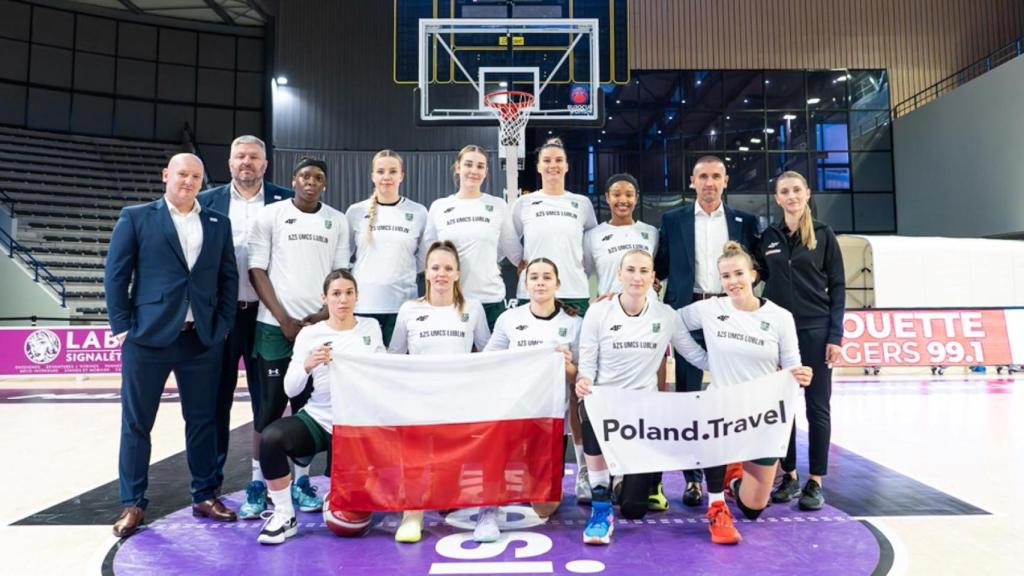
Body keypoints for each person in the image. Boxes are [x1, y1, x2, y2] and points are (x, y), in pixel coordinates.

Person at [104, 153, 239, 537]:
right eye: (182, 174)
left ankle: (205, 494)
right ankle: (132, 503)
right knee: (136, 424)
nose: (189, 181)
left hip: (201, 339)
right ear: (167, 175)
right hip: (147, 338)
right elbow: (116, 275)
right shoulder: (137, 216)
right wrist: (123, 326)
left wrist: (223, 324)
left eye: (196, 176)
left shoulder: (217, 222)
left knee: (203, 421)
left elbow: (228, 277)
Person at [674, 241, 813, 544]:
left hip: (762, 415)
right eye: (725, 276)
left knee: (753, 507)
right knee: (711, 422)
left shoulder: (779, 317)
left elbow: (792, 365)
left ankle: (733, 481)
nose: (732, 282)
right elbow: (672, 322)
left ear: (753, 275)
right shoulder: (710, 309)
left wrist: (801, 373)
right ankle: (716, 506)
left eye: (738, 273)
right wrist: (703, 360)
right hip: (722, 407)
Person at [573, 249, 709, 545]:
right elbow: (587, 360)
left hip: (643, 412)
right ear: (619, 275)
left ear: (652, 277)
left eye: (644, 270)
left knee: (635, 509)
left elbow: (695, 355)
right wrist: (584, 380)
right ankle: (600, 509)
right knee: (590, 407)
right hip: (605, 403)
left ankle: (622, 478)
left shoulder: (665, 316)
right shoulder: (599, 311)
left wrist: (746, 372)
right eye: (631, 270)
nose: (637, 276)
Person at [246, 156, 351, 517]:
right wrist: (283, 317)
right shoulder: (271, 216)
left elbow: (340, 272)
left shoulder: (336, 221)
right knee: (270, 407)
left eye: (318, 177)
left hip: (318, 328)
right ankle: (259, 482)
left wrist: (322, 315)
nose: (311, 182)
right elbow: (256, 268)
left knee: (307, 407)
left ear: (324, 184)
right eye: (305, 175)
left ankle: (303, 482)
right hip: (275, 326)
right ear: (293, 180)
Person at [653, 154, 759, 506]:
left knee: (734, 397)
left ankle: (734, 472)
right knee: (688, 397)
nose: (709, 183)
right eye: (703, 177)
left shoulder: (745, 221)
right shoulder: (672, 220)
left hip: (731, 317)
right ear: (692, 181)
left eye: (716, 176)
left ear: (726, 181)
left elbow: (758, 269)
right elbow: (659, 269)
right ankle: (693, 478)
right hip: (689, 314)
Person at [196, 135, 293, 511]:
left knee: (268, 404)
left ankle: (270, 482)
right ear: (229, 162)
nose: (246, 162)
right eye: (240, 156)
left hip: (268, 315)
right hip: (221, 316)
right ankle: (210, 487)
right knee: (214, 403)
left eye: (254, 156)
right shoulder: (206, 202)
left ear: (265, 164)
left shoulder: (288, 201)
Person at [256, 270, 386, 545]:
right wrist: (308, 364)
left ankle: (357, 493)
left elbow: (382, 372)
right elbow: (290, 389)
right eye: (336, 294)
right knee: (271, 438)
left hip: (357, 423)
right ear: (324, 299)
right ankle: (284, 514)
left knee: (349, 510)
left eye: (349, 293)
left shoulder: (370, 328)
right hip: (320, 417)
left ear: (357, 296)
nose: (343, 300)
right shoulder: (310, 335)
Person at [388, 240, 491, 543]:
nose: (441, 274)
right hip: (421, 401)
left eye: (448, 268)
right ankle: (412, 514)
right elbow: (394, 357)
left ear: (458, 274)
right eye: (435, 268)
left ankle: (484, 510)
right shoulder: (409, 310)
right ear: (426, 272)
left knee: (458, 474)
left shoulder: (472, 309)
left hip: (460, 401)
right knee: (417, 456)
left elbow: (489, 353)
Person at [758, 171, 845, 511]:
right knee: (782, 409)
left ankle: (815, 482)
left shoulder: (824, 235)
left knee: (817, 408)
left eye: (797, 190)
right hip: (777, 336)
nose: (791, 196)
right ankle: (790, 474)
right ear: (777, 198)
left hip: (816, 331)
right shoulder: (768, 237)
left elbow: (838, 287)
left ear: (807, 193)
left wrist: (835, 336)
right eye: (785, 191)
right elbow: (758, 278)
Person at [481, 257, 582, 541]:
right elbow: (488, 363)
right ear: (525, 285)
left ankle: (542, 481)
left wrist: (567, 366)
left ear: (557, 283)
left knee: (545, 507)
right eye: (534, 277)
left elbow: (579, 378)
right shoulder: (509, 320)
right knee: (503, 474)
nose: (540, 282)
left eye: (547, 277)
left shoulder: (573, 323)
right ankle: (489, 507)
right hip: (514, 413)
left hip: (550, 420)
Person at [581, 172, 663, 507]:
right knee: (602, 398)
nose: (622, 200)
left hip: (646, 323)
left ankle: (651, 482)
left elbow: (655, 274)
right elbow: (589, 271)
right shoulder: (593, 236)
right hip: (610, 324)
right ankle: (600, 476)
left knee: (652, 400)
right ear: (606, 196)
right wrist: (601, 298)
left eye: (629, 194)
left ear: (637, 197)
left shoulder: (651, 233)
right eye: (616, 194)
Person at [423, 145, 522, 330]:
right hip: (450, 301)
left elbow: (513, 251)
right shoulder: (439, 207)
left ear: (485, 172)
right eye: (468, 164)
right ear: (458, 167)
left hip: (490, 300)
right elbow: (427, 255)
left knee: (493, 359)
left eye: (480, 166)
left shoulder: (498, 205)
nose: (474, 171)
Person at [346, 150, 428, 346]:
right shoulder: (356, 212)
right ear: (373, 176)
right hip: (363, 304)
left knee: (397, 368)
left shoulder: (418, 212)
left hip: (402, 304)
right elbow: (344, 257)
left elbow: (423, 259)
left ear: (402, 175)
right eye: (381, 171)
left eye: (393, 171)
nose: (386, 177)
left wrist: (401, 272)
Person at [512, 137, 597, 314]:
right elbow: (508, 236)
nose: (553, 165)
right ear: (538, 166)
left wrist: (583, 268)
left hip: (573, 290)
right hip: (533, 291)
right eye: (547, 160)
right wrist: (518, 260)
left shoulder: (582, 203)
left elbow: (592, 240)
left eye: (559, 160)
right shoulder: (524, 202)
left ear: (567, 166)